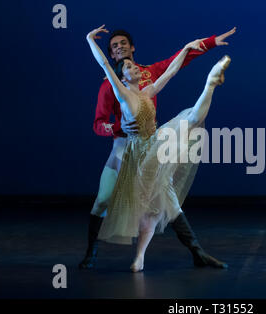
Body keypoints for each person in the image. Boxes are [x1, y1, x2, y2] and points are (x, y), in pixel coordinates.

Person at [79, 26, 236, 270]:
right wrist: (116, 128)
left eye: (122, 43)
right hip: (125, 147)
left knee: (168, 198)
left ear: (132, 48)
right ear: (113, 57)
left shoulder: (147, 77)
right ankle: (91, 251)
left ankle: (197, 252)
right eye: (113, 47)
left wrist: (210, 41)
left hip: (151, 144)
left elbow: (175, 65)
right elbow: (99, 122)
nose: (118, 47)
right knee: (103, 199)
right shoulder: (111, 85)